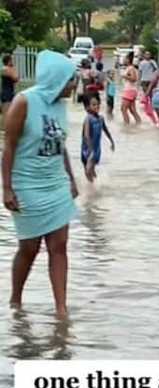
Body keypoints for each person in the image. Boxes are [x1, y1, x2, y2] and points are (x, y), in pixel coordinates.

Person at [1, 50, 81, 317]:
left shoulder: (60, 105)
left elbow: (61, 146)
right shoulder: (24, 102)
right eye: (71, 79)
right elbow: (9, 146)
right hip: (27, 185)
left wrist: (70, 179)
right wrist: (7, 188)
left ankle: (61, 309)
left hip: (56, 183)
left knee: (59, 247)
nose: (74, 85)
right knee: (30, 248)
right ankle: (15, 301)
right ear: (57, 79)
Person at [80, 95, 115, 183]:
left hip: (95, 150)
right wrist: (90, 150)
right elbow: (86, 135)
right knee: (88, 171)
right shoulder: (88, 119)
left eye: (98, 104)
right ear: (88, 107)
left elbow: (106, 130)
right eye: (94, 105)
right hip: (86, 149)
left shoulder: (101, 119)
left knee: (89, 170)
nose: (97, 106)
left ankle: (93, 188)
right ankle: (95, 187)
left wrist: (112, 141)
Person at [120, 53, 141, 125]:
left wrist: (124, 76)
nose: (123, 60)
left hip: (129, 90)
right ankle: (139, 123)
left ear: (128, 60)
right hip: (131, 90)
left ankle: (126, 125)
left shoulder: (131, 68)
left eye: (125, 58)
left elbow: (134, 78)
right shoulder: (130, 68)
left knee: (123, 109)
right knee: (132, 110)